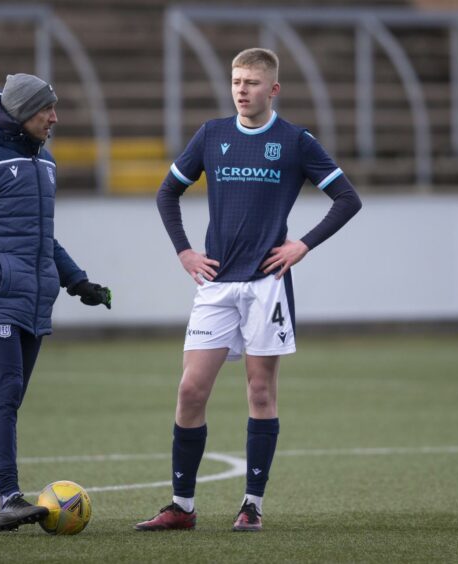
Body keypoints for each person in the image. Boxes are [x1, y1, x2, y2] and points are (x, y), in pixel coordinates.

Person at [135, 48, 361, 533]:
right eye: (237, 81)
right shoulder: (212, 135)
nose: (242, 89)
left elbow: (347, 198)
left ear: (273, 89)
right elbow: (166, 192)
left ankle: (252, 505)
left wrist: (303, 244)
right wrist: (185, 251)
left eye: (252, 82)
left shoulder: (295, 141)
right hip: (216, 285)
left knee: (260, 391)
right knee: (191, 390)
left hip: (267, 286)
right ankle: (182, 506)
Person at [0, 73, 112, 532]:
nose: (54, 117)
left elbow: (41, 239)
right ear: (20, 113)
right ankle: (8, 494)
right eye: (45, 110)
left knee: (1, 401)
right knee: (5, 394)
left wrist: (76, 281)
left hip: (32, 301)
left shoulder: (44, 163)